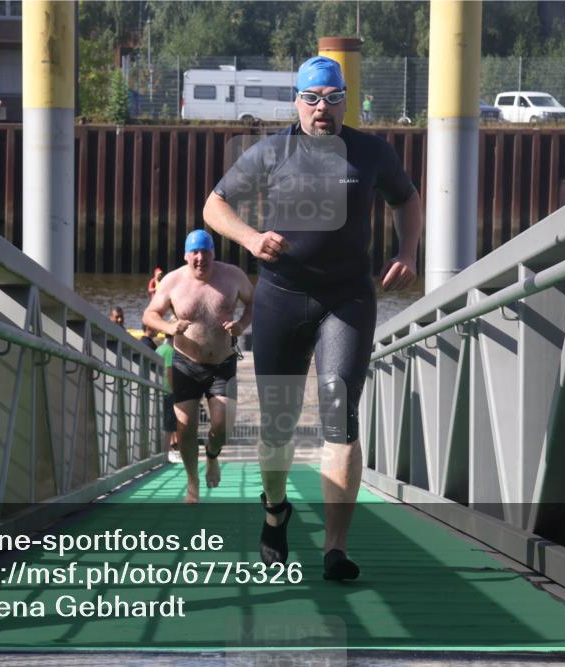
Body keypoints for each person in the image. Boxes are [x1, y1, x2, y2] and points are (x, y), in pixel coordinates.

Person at [203, 56, 420, 580]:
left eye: (333, 97)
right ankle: (275, 511)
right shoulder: (271, 151)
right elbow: (214, 206)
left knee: (339, 417)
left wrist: (408, 250)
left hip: (346, 300)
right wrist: (252, 238)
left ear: (346, 100)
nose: (323, 108)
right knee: (277, 426)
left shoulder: (370, 152)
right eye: (313, 98)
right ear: (297, 102)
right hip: (280, 297)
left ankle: (335, 549)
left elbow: (406, 198)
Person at [143, 229, 254, 503]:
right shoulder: (172, 281)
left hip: (222, 364)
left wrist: (241, 325)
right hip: (186, 364)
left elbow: (255, 303)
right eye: (195, 252)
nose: (200, 258)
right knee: (185, 427)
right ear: (186, 255)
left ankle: (213, 456)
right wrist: (169, 326)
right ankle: (193, 483)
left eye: (206, 252)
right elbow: (149, 314)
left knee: (222, 425)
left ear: (213, 253)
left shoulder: (232, 276)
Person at [155, 335, 181, 462]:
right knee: (169, 426)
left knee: (161, 424)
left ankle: (161, 453)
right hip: (167, 391)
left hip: (157, 389)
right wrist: (173, 390)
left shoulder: (160, 349)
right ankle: (165, 454)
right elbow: (169, 371)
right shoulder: (171, 351)